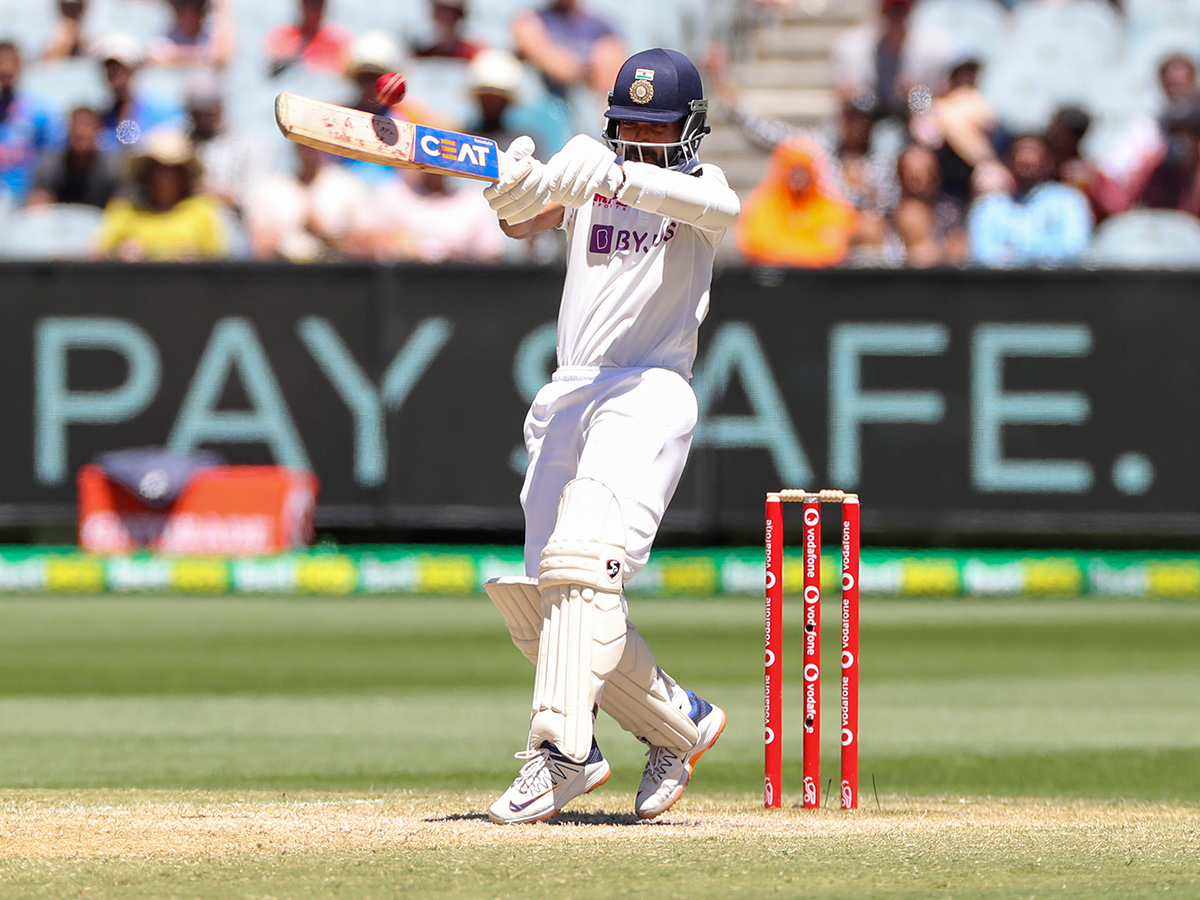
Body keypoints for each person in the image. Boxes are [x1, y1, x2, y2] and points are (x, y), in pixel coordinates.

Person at [478, 47, 737, 825]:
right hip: (570, 391)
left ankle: (561, 754)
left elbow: (716, 213)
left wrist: (616, 173)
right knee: (545, 604)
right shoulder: (594, 173)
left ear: (689, 130)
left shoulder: (700, 186)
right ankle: (677, 725)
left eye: (659, 129)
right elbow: (527, 221)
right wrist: (513, 191)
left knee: (583, 561)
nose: (642, 140)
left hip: (648, 389)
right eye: (629, 127)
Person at [96, 128, 227, 261]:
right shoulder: (124, 209)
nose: (165, 178)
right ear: (147, 172)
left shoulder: (201, 209)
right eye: (159, 169)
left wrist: (196, 257)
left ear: (184, 175)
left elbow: (218, 259)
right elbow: (97, 254)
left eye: (173, 170)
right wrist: (120, 253)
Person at [967, 133, 1093, 267]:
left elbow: (1073, 247)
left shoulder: (1067, 200)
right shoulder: (990, 206)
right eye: (1019, 153)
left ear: (1048, 162)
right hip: (1005, 284)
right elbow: (984, 253)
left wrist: (1018, 253)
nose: (1026, 159)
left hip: (1055, 283)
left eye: (1033, 153)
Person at [737, 136, 858, 268]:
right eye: (793, 170)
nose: (799, 177)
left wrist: (786, 245)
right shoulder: (764, 204)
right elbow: (757, 244)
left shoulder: (831, 207)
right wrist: (806, 246)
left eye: (804, 171)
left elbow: (834, 250)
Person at [344, 168, 507, 263]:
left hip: (459, 285)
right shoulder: (392, 193)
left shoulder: (472, 200)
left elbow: (491, 255)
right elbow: (356, 242)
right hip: (402, 283)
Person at [245, 142, 368, 262]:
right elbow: (260, 247)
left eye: (314, 144)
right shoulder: (270, 188)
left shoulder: (348, 185)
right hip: (285, 272)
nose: (309, 150)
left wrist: (325, 236)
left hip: (335, 271)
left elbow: (367, 245)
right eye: (303, 144)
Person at [93, 33, 186, 154]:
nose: (115, 73)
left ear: (136, 69)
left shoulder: (163, 109)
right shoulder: (101, 119)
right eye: (109, 67)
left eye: (121, 67)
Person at [0, 40, 63, 205]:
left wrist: (40, 191)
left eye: (11, 62)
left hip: (27, 199)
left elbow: (52, 158)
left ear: (21, 67)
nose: (5, 69)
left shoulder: (40, 111)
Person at [28, 106, 126, 208]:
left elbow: (121, 205)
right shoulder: (50, 164)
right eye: (76, 125)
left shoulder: (113, 166)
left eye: (88, 126)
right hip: (58, 220)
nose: (81, 131)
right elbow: (38, 201)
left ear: (99, 130)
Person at [265, 0, 352, 78]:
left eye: (319, 3)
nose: (314, 8)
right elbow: (271, 72)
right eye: (309, 2)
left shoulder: (337, 38)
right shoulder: (282, 35)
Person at [147, 0, 236, 71]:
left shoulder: (209, 32)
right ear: (178, 11)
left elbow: (222, 58)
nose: (200, 15)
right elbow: (155, 58)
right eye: (195, 9)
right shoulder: (164, 38)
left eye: (202, 9)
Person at [412, 0, 484, 61]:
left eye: (449, 12)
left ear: (458, 16)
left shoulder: (472, 53)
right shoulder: (425, 53)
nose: (443, 16)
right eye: (439, 11)